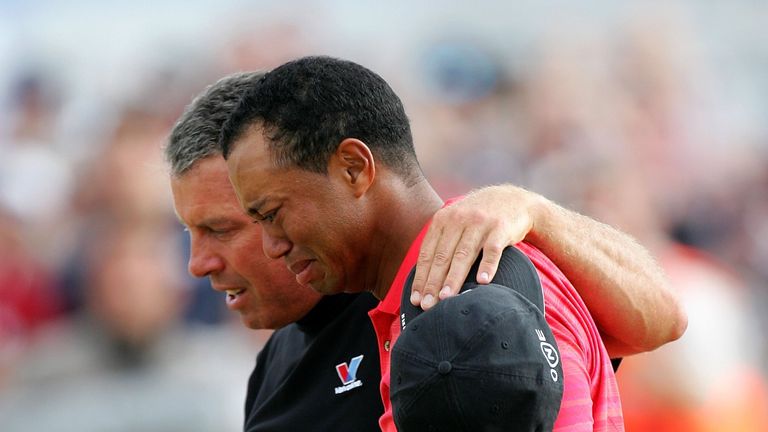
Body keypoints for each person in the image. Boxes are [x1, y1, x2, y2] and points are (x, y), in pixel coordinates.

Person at [219, 57, 686, 431]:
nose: (270, 246)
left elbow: (664, 320)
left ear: (355, 168)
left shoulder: (480, 287)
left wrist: (539, 211)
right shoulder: (449, 278)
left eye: (273, 214)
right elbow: (662, 320)